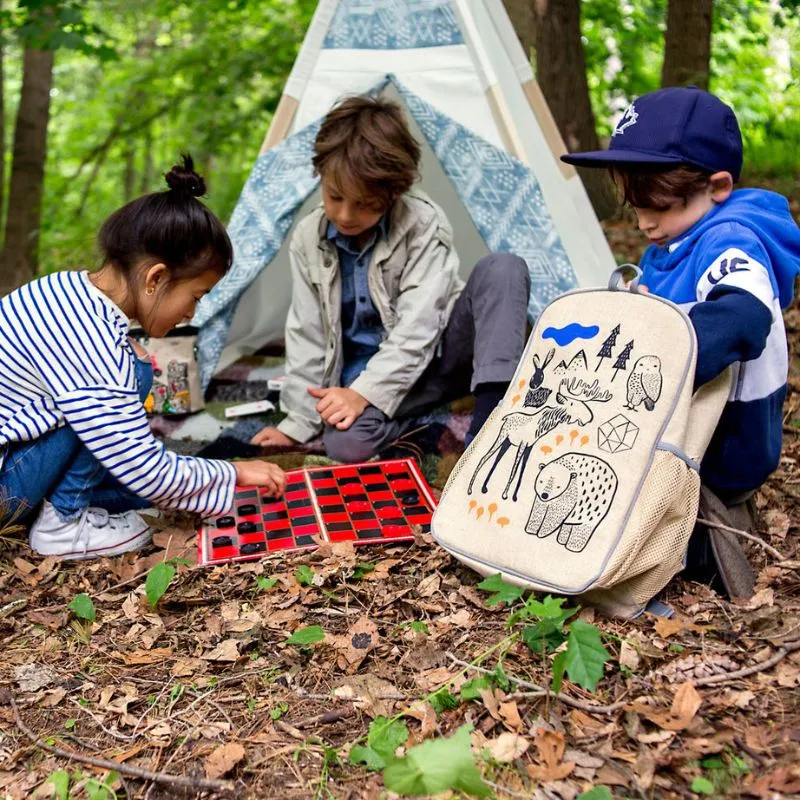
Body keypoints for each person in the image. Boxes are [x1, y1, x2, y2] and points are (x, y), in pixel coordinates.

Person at [561, 86, 800, 592]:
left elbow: (742, 315)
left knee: (623, 549)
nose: (646, 221)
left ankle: (696, 540)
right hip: (668, 433)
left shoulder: (731, 238)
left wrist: (646, 359)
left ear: (716, 186)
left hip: (722, 450)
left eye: (660, 206)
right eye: (636, 205)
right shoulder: (676, 237)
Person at [0, 156, 285, 560]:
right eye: (195, 298)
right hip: (5, 487)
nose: (191, 314)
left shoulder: (65, 289)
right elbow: (144, 468)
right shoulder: (93, 341)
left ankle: (70, 511)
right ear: (156, 278)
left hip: (14, 460)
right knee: (133, 377)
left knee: (130, 479)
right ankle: (63, 527)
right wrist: (235, 471)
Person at [251, 95, 530, 462]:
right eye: (335, 197)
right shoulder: (309, 237)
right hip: (376, 377)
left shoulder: (422, 222)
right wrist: (298, 422)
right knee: (346, 445)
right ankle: (428, 418)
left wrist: (364, 394)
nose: (346, 214)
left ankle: (490, 417)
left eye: (364, 203)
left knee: (503, 268)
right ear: (320, 177)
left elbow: (420, 326)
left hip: (444, 356)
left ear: (394, 191)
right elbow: (308, 333)